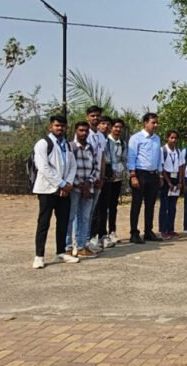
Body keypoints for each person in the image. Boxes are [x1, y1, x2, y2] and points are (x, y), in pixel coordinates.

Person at [32, 115, 79, 268]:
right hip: (47, 190)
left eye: (63, 126)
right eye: (57, 126)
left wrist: (68, 184)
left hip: (64, 190)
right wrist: (61, 184)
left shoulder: (67, 145)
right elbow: (43, 167)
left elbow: (72, 166)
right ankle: (39, 256)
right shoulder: (43, 144)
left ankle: (61, 251)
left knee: (63, 222)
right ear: (50, 127)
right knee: (44, 223)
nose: (60, 128)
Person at [127, 112, 163, 244]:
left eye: (156, 122)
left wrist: (159, 174)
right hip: (140, 174)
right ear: (145, 123)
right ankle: (134, 232)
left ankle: (148, 231)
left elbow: (159, 157)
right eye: (153, 122)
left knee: (151, 205)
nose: (155, 125)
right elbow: (131, 157)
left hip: (153, 174)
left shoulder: (157, 139)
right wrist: (133, 175)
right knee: (136, 204)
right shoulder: (136, 138)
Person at [67, 121, 99, 258]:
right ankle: (67, 246)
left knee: (85, 217)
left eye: (86, 131)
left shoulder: (90, 148)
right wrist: (80, 184)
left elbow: (96, 168)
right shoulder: (71, 147)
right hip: (74, 188)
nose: (84, 133)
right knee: (70, 217)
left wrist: (89, 183)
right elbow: (67, 168)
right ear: (76, 131)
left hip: (88, 187)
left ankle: (81, 246)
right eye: (81, 130)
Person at [96, 118, 127, 248]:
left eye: (120, 127)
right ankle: (101, 234)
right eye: (115, 126)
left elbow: (124, 159)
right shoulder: (105, 141)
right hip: (107, 178)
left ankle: (112, 231)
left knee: (113, 206)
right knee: (103, 207)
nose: (117, 129)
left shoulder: (123, 143)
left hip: (117, 179)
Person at [85, 106, 106, 252]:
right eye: (92, 115)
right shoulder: (83, 134)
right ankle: (80, 241)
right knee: (83, 212)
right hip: (86, 179)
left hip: (98, 179)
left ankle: (89, 239)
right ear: (87, 117)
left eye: (98, 116)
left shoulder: (101, 136)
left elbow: (102, 157)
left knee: (92, 211)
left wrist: (101, 177)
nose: (95, 118)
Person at [158, 130, 181, 239]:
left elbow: (181, 167)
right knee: (164, 206)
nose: (174, 140)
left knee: (173, 206)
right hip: (167, 179)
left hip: (175, 179)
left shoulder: (178, 151)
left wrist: (180, 182)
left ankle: (170, 229)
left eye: (175, 138)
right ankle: (163, 230)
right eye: (171, 138)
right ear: (167, 138)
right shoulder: (163, 150)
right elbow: (161, 168)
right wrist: (168, 182)